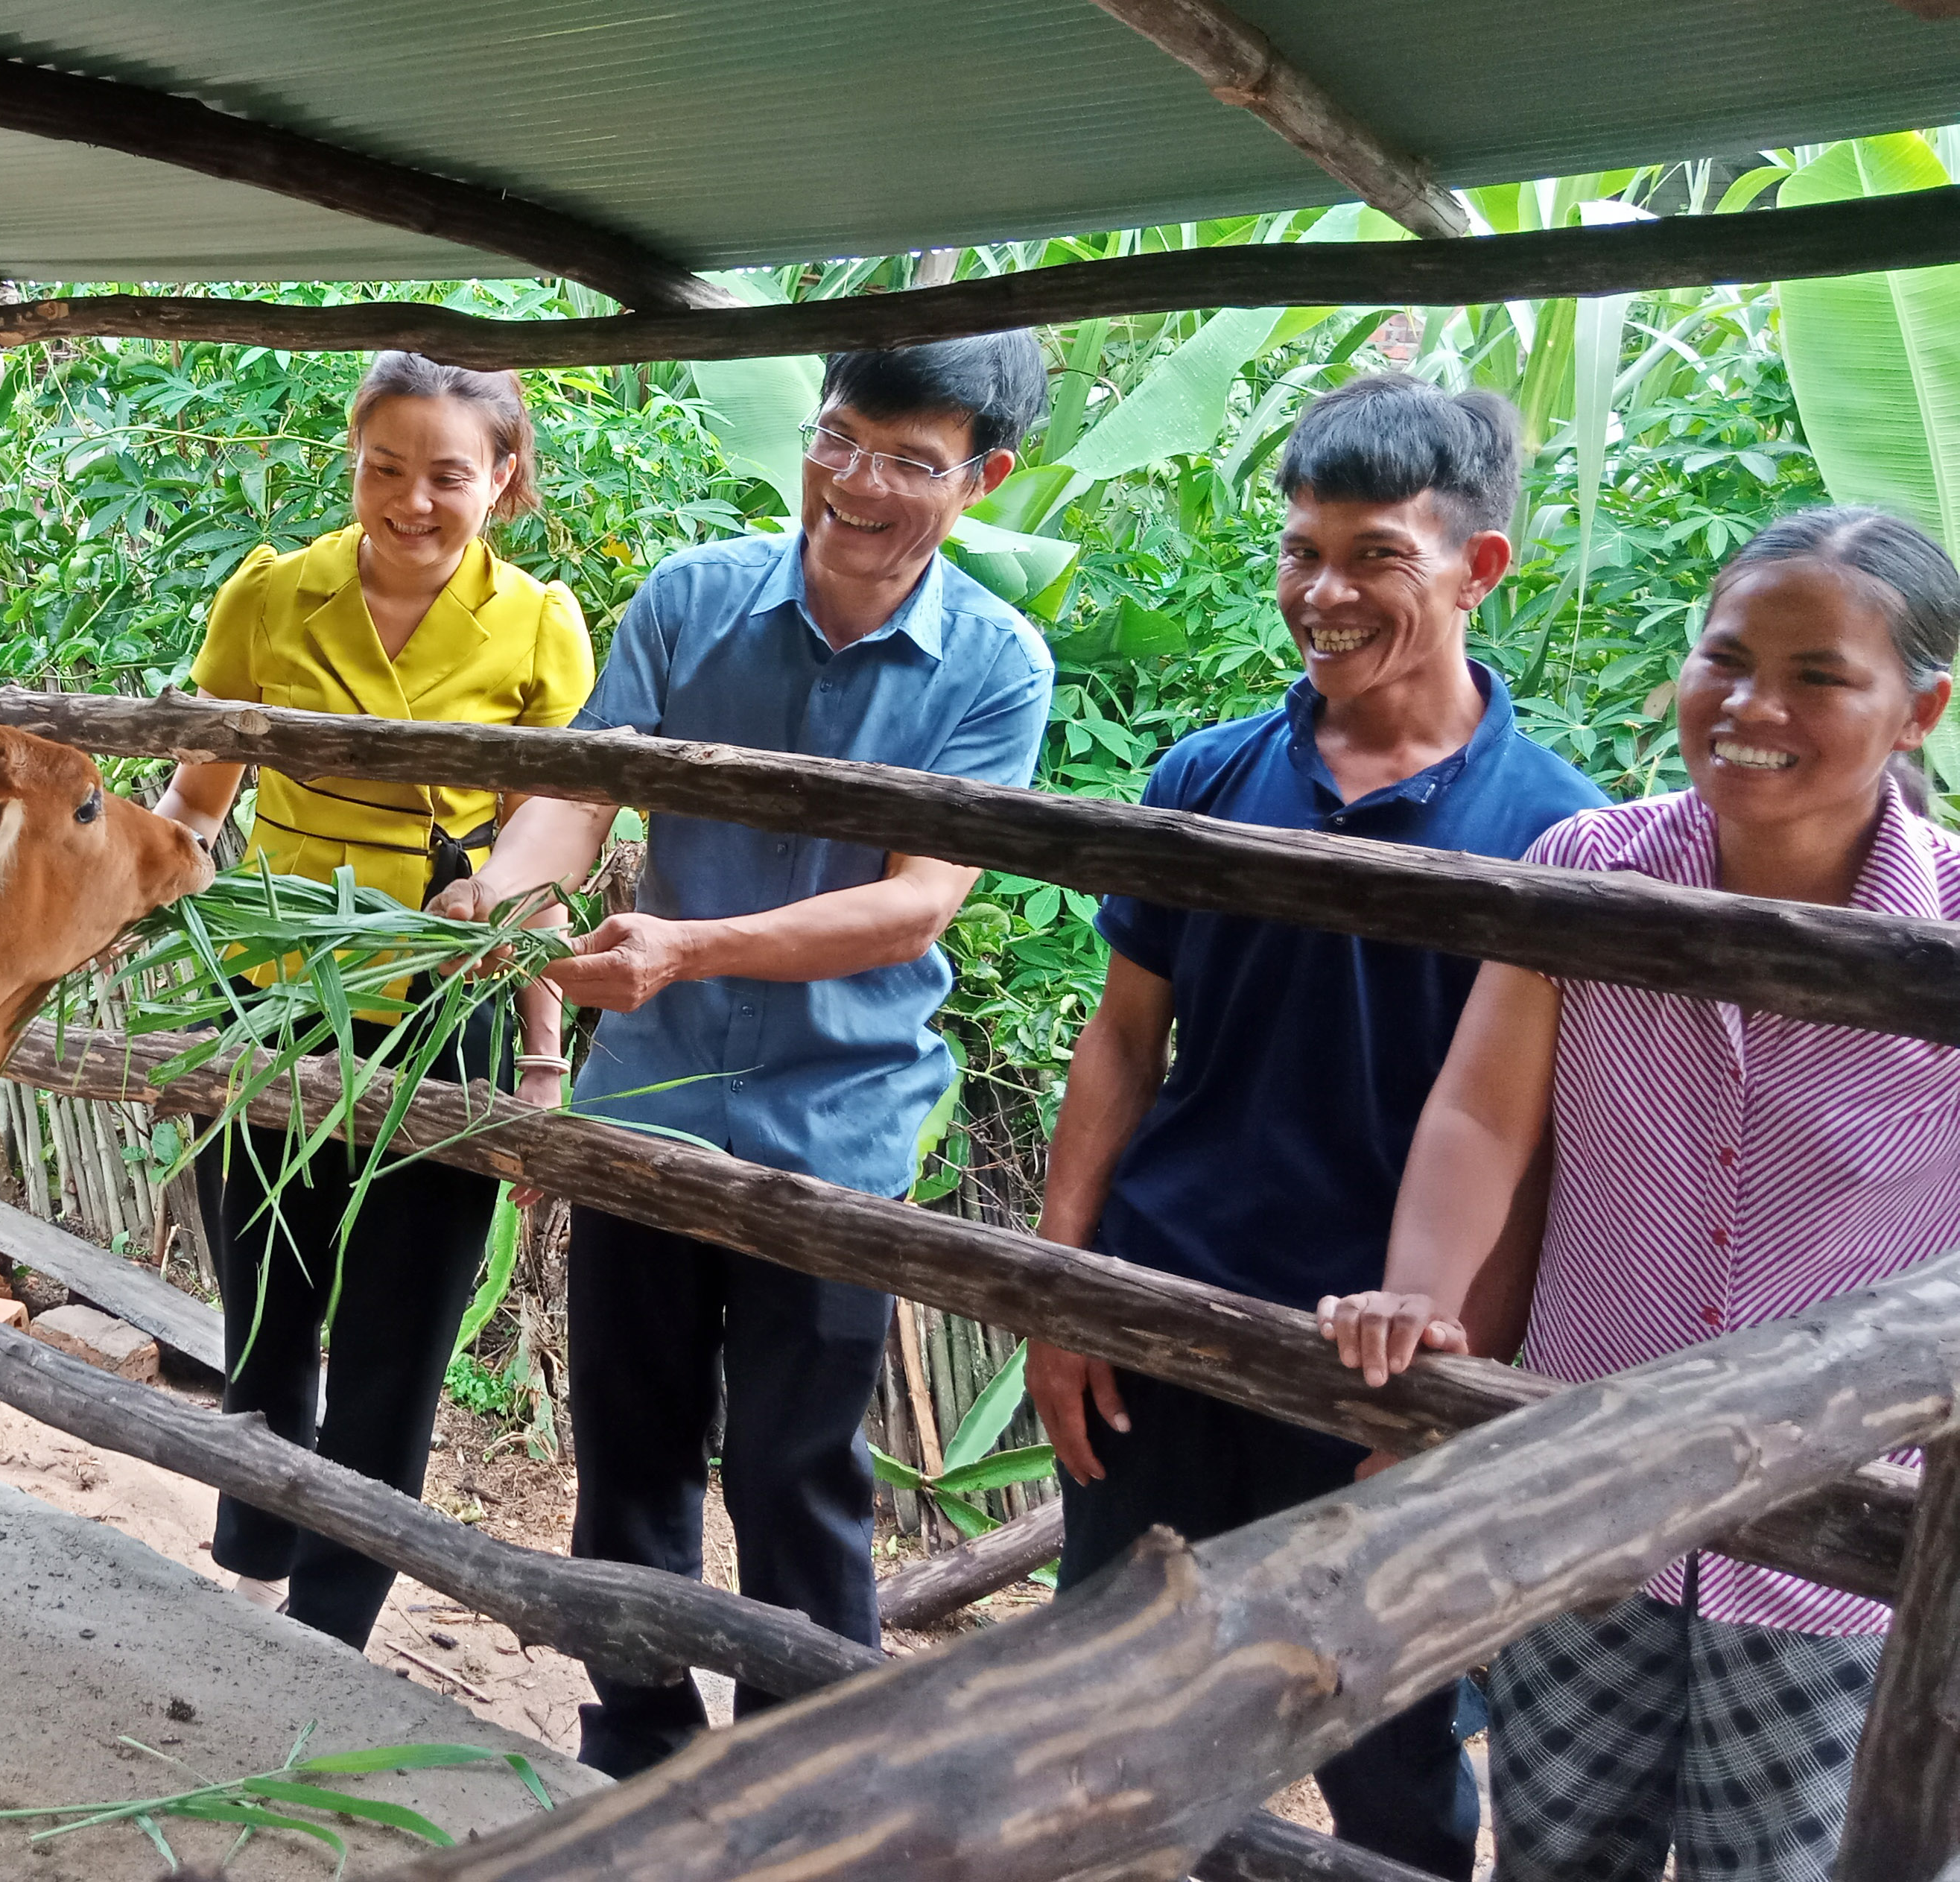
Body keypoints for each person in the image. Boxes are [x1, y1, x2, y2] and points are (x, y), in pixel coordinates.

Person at [432, 331, 1055, 1776]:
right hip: (646, 1104)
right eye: (841, 437)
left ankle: (802, 1787)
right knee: (633, 1454)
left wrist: (686, 948)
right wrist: (510, 898)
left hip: (836, 1133)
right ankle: (633, 1755)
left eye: (910, 460)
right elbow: (576, 803)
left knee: (795, 1473)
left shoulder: (996, 667)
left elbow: (916, 903)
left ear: (983, 478)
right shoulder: (691, 601)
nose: (857, 480)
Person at [1319, 506, 1960, 1882]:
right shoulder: (1588, 872)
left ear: (1920, 710)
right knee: (1557, 1856)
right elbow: (1481, 1112)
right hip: (1579, 1499)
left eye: (1818, 676)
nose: (1751, 703)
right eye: (1724, 658)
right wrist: (1419, 1305)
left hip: (1843, 1549)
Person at [1024, 373, 1608, 1878]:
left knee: (1387, 1753)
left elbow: (1537, 1142)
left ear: (1480, 570)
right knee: (1114, 1718)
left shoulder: (1562, 834)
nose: (1323, 591)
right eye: (1302, 551)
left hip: (1378, 1370)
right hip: (1163, 1319)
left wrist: (1451, 1388)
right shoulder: (1206, 781)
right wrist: (1062, 1295)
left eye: (1373, 557)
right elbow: (1122, 1041)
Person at [153, 352, 591, 1650]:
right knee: (264, 1299)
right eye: (382, 468)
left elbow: (547, 863)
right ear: (353, 462)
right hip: (277, 992)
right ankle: (252, 1561)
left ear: (499, 480)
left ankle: (335, 1615)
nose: (411, 500)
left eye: (447, 474)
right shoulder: (273, 597)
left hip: (441, 1016)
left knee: (402, 1334)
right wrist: (128, 906)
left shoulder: (535, 625)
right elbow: (196, 801)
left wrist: (541, 1064)